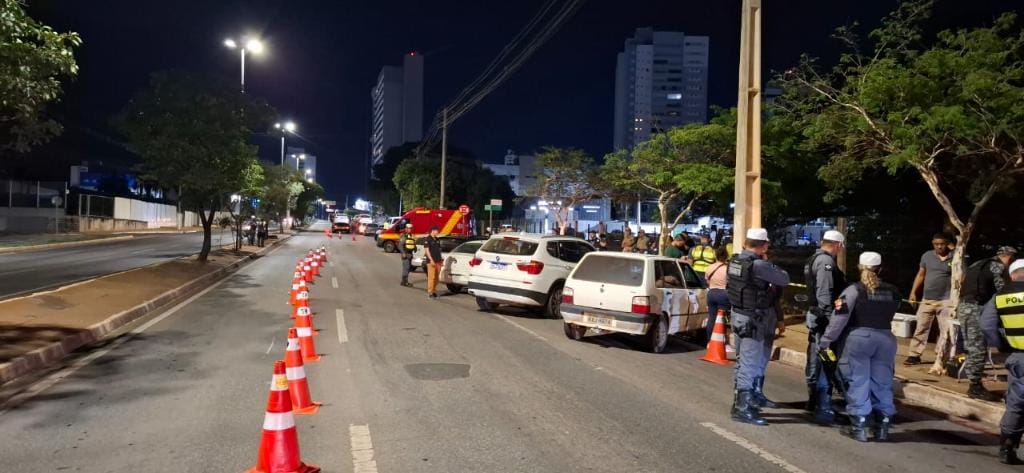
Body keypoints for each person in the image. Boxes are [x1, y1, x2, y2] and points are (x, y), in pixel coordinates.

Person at [819, 252, 900, 442]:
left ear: (859, 267)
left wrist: (826, 341)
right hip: (886, 339)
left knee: (857, 380)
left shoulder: (853, 290)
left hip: (858, 339)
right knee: (883, 382)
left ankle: (860, 425)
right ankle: (883, 425)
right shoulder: (893, 291)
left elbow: (839, 319)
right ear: (880, 268)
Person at [727, 228, 791, 426]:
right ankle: (743, 408)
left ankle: (739, 401)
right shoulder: (759, 265)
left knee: (741, 361)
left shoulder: (736, 261)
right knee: (749, 363)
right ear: (763, 245)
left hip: (738, 315)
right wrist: (767, 261)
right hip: (752, 319)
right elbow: (784, 278)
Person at [980, 259, 1024, 464]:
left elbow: (986, 325)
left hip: (1019, 356)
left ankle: (1007, 447)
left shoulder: (1001, 296)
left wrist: (1002, 344)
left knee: (1016, 404)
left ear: (1013, 275)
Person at [959, 246, 1016, 401]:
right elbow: (1002, 291)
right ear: (1009, 258)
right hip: (976, 309)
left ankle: (973, 383)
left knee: (972, 347)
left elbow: (962, 281)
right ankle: (975, 387)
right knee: (978, 348)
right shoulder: (997, 266)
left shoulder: (977, 264)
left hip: (964, 307)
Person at [802, 229, 847, 424]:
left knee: (816, 356)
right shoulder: (826, 262)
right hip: (823, 318)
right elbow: (824, 293)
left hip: (816, 316)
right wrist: (830, 319)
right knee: (824, 361)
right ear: (837, 245)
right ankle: (822, 404)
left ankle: (814, 401)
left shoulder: (814, 258)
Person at [905, 233, 955, 366]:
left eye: (942, 244)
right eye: (936, 244)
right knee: (921, 327)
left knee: (945, 329)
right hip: (927, 298)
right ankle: (914, 355)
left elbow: (962, 274)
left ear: (947, 244)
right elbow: (921, 274)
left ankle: (941, 356)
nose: (939, 246)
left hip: (947, 299)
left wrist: (955, 249)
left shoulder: (954, 256)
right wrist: (913, 292)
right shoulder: (927, 255)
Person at [703, 246, 731, 341]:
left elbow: (707, 281)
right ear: (726, 256)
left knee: (712, 318)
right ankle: (721, 340)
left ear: (716, 256)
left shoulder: (709, 267)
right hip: (723, 293)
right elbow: (729, 282)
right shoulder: (727, 268)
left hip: (711, 293)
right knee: (722, 318)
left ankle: (709, 340)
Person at [424, 226, 443, 299]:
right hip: (431, 261)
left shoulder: (437, 239)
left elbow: (439, 250)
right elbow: (427, 251)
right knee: (431, 278)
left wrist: (441, 258)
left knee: (437, 278)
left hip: (438, 261)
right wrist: (431, 259)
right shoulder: (427, 239)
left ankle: (434, 290)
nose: (438, 233)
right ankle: (430, 292)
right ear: (433, 231)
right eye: (437, 231)